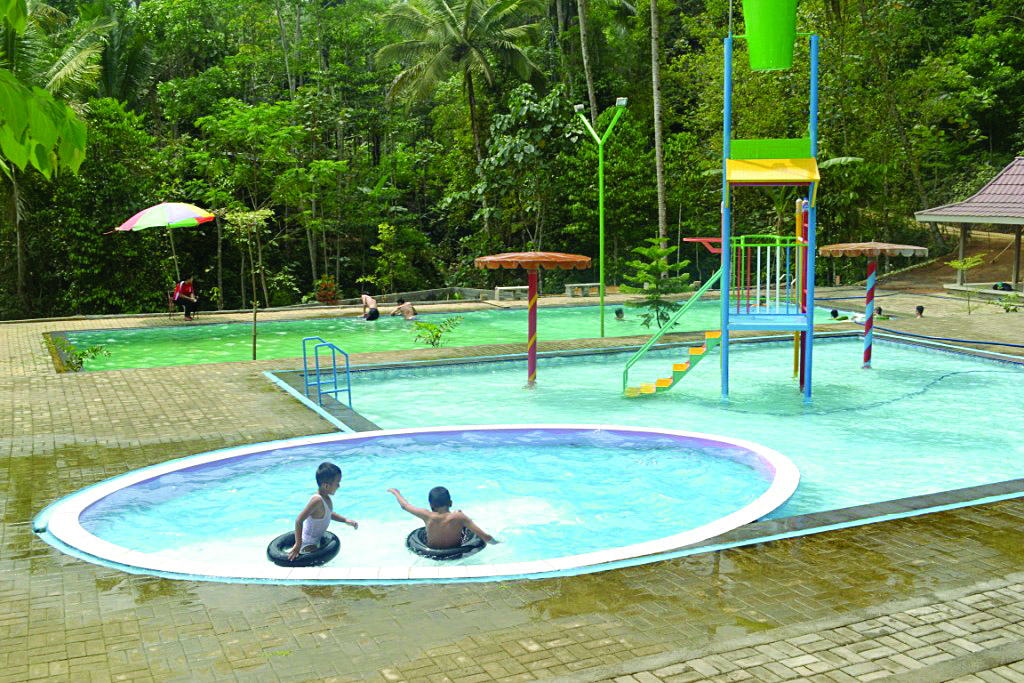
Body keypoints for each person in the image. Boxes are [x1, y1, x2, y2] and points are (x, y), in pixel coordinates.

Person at [387, 486, 498, 549]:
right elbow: (485, 537)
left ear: (431, 505)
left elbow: (404, 506)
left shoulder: (426, 515)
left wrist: (396, 493)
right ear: (450, 503)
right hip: (455, 551)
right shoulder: (459, 517)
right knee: (462, 519)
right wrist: (498, 543)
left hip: (432, 552)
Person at [288, 462, 358, 561]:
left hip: (315, 541)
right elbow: (299, 520)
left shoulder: (326, 498)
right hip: (307, 544)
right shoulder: (317, 500)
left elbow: (328, 514)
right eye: (337, 483)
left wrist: (345, 520)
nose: (339, 486)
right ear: (326, 486)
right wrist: (298, 545)